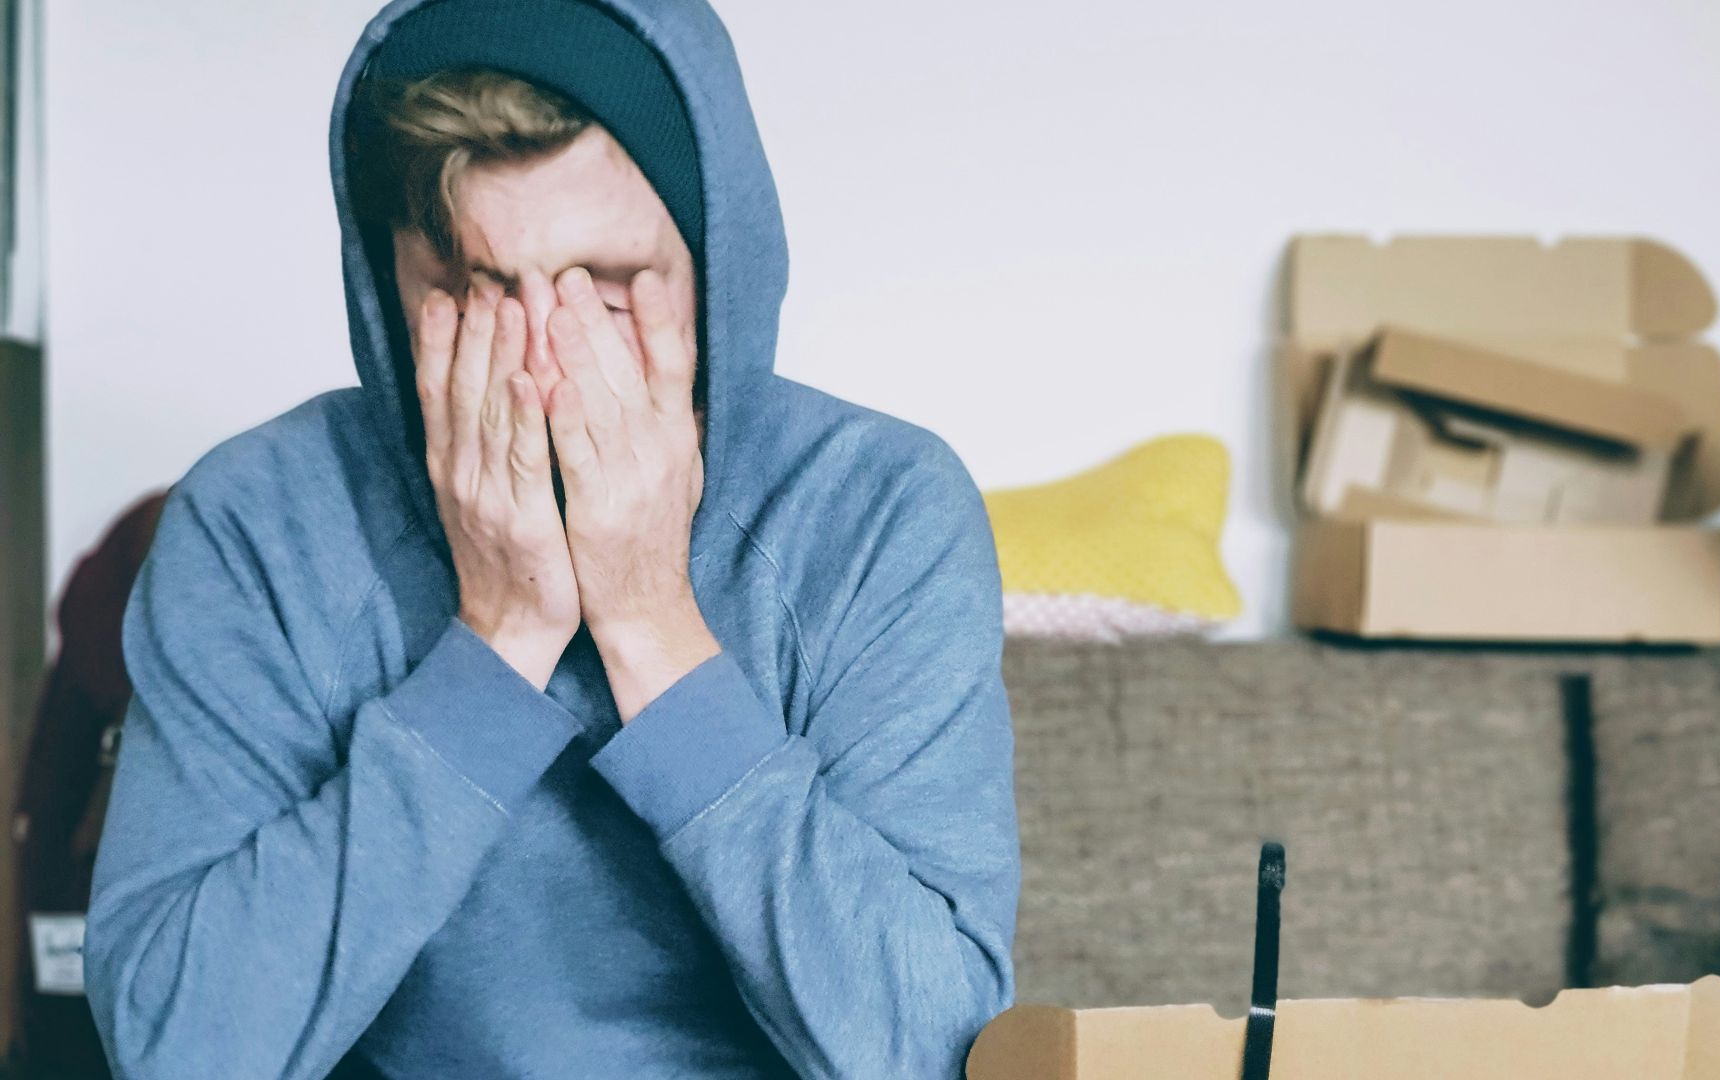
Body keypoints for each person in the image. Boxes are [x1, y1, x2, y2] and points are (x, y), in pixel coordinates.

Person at [79, 1, 1021, 1077]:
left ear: (718, 270)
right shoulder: (256, 521)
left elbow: (935, 1052)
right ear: (390, 291)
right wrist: (499, 641)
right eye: (473, 293)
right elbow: (177, 1052)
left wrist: (651, 625)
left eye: (609, 292)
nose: (538, 367)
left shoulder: (881, 511)